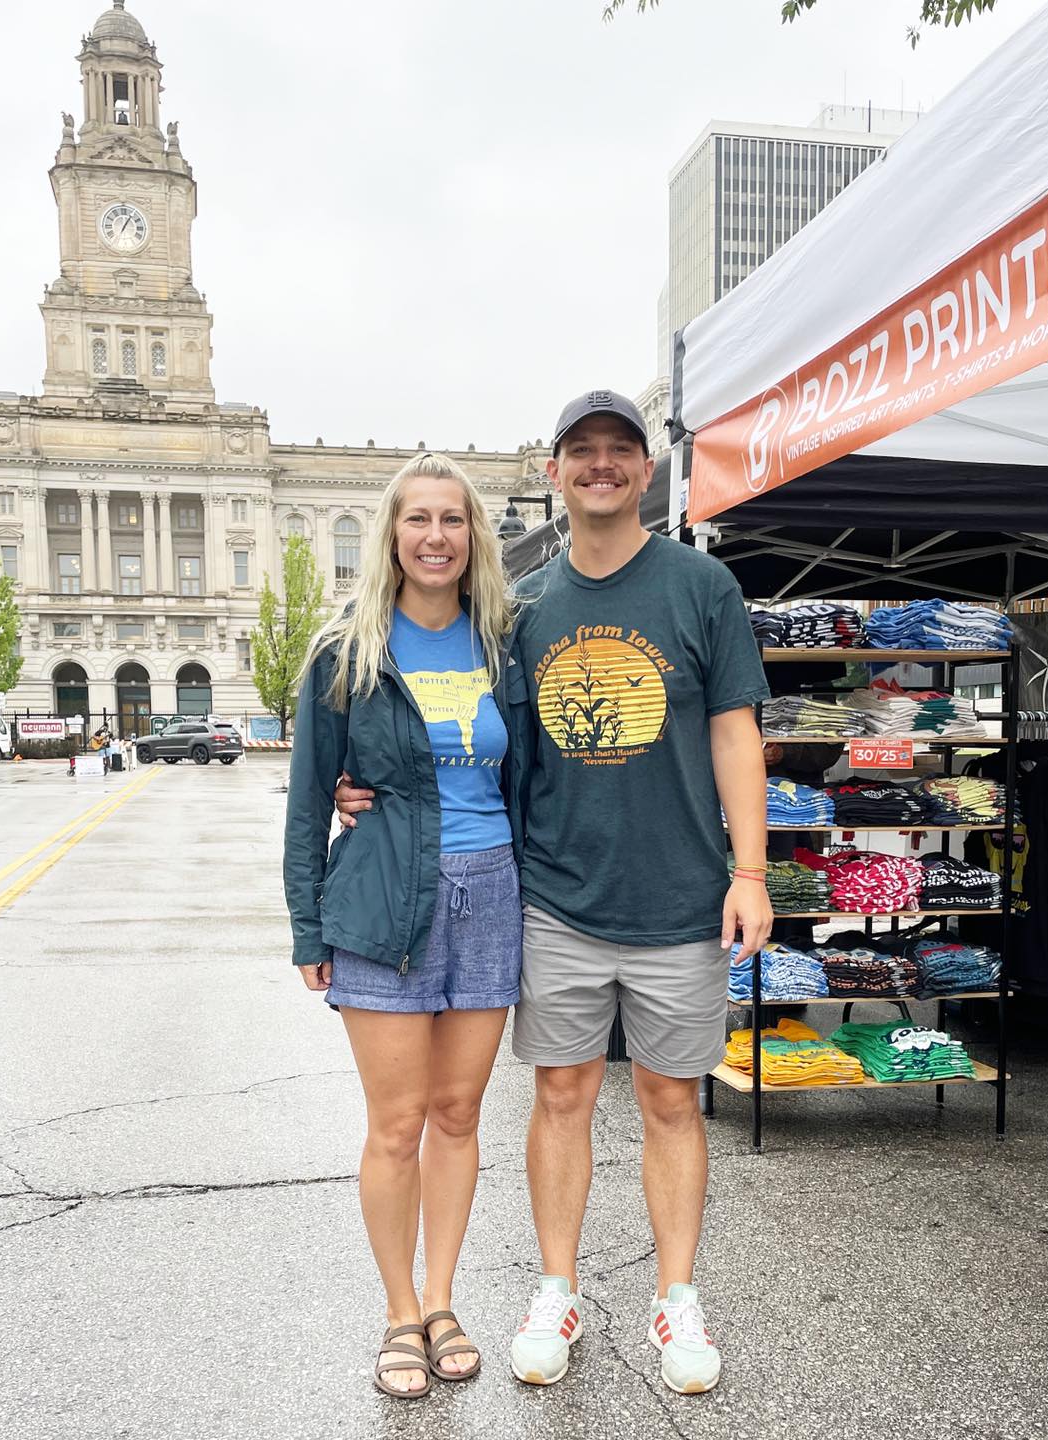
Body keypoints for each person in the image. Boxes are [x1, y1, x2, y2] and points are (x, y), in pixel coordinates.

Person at [336, 390, 772, 1395]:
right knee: (561, 1093)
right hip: (556, 896)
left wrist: (750, 871)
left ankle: (676, 1297)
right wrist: (373, 791)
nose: (604, 466)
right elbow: (468, 742)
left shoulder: (702, 588)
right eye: (585, 452)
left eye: (623, 450)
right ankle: (557, 1286)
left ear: (647, 471)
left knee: (670, 1099)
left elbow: (735, 733)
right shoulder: (519, 612)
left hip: (682, 897)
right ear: (556, 472)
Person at [283, 452, 527, 1399]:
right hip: (385, 895)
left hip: (491, 893)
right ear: (392, 534)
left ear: (474, 539)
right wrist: (309, 927)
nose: (436, 536)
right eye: (418, 519)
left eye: (453, 520)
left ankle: (441, 1298)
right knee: (396, 1124)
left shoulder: (502, 645)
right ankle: (395, 1312)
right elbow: (310, 801)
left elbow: (530, 777)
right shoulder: (347, 652)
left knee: (459, 1115)